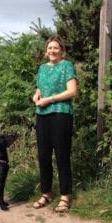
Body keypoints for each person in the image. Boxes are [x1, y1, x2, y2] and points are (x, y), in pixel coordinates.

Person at [32, 35, 77, 212]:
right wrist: (36, 95)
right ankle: (47, 193)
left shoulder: (67, 66)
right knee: (43, 156)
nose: (52, 51)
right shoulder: (42, 68)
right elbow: (40, 88)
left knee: (61, 155)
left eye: (56, 48)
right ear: (46, 51)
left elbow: (72, 91)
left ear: (61, 51)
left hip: (61, 114)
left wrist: (49, 100)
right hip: (41, 114)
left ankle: (65, 195)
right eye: (50, 48)